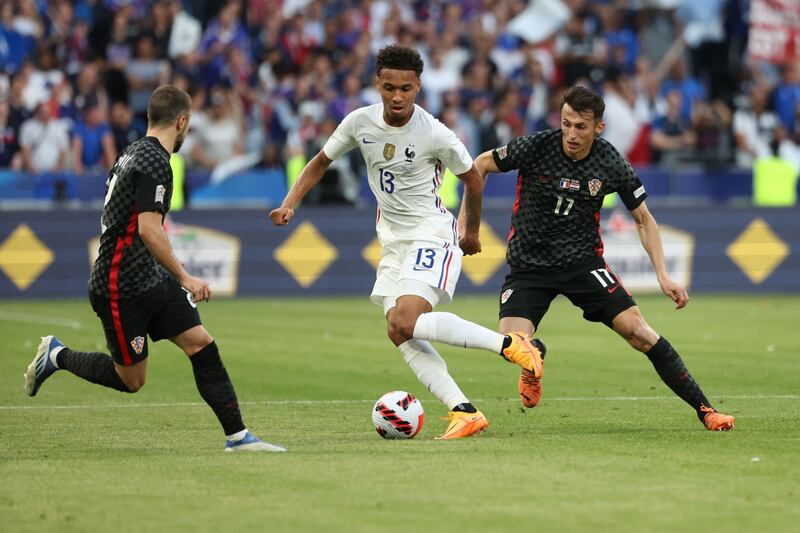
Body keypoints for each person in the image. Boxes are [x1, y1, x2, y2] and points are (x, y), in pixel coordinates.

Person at [269, 45, 542, 440]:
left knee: (407, 320)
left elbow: (472, 177)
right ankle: (463, 411)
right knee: (399, 331)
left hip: (431, 232)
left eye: (406, 88)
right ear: (377, 84)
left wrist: (471, 231)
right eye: (389, 87)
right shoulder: (359, 123)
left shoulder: (433, 132)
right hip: (393, 241)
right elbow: (320, 162)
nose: (397, 96)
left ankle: (511, 345)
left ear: (418, 87)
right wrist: (289, 204)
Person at [24, 85, 284, 452]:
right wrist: (186, 277)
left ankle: (238, 438)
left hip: (148, 277)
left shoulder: (133, 151)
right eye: (187, 125)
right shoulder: (155, 161)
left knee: (201, 343)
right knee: (131, 379)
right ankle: (57, 355)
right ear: (182, 122)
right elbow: (148, 229)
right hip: (119, 284)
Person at [471, 85, 735, 431]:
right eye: (566, 124)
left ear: (599, 128)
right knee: (513, 344)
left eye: (580, 126)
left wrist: (663, 275)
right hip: (530, 266)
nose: (571, 134)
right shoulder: (537, 146)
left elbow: (644, 220)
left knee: (640, 333)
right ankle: (533, 359)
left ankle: (707, 411)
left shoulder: (610, 162)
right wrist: (469, 224)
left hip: (583, 263)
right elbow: (481, 164)